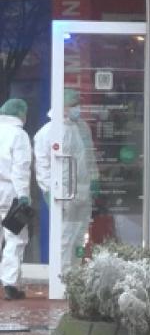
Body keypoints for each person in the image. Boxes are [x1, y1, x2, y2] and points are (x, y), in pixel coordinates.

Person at [35, 89, 99, 275]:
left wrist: (95, 179)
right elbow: (43, 167)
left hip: (83, 191)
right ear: (62, 107)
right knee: (64, 236)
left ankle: (76, 271)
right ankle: (61, 275)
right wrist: (47, 190)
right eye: (73, 105)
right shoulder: (46, 133)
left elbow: (89, 156)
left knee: (80, 235)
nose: (77, 109)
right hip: (63, 192)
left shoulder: (83, 128)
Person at [0, 98, 32, 300]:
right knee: (15, 237)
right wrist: (23, 195)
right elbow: (20, 168)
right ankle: (10, 283)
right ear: (21, 114)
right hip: (11, 192)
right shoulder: (19, 135)